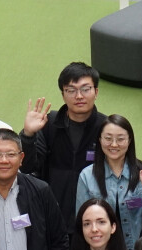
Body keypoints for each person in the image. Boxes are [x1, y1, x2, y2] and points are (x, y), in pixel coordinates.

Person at [20, 61, 107, 213]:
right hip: (52, 211)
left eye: (85, 89)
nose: (79, 96)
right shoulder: (48, 123)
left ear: (96, 92)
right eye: (71, 90)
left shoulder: (106, 127)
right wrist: (28, 135)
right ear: (63, 94)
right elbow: (28, 167)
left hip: (92, 214)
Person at [75, 115, 142, 250]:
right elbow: (82, 221)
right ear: (100, 140)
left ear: (129, 141)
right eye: (108, 139)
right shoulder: (86, 176)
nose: (114, 144)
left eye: (120, 139)